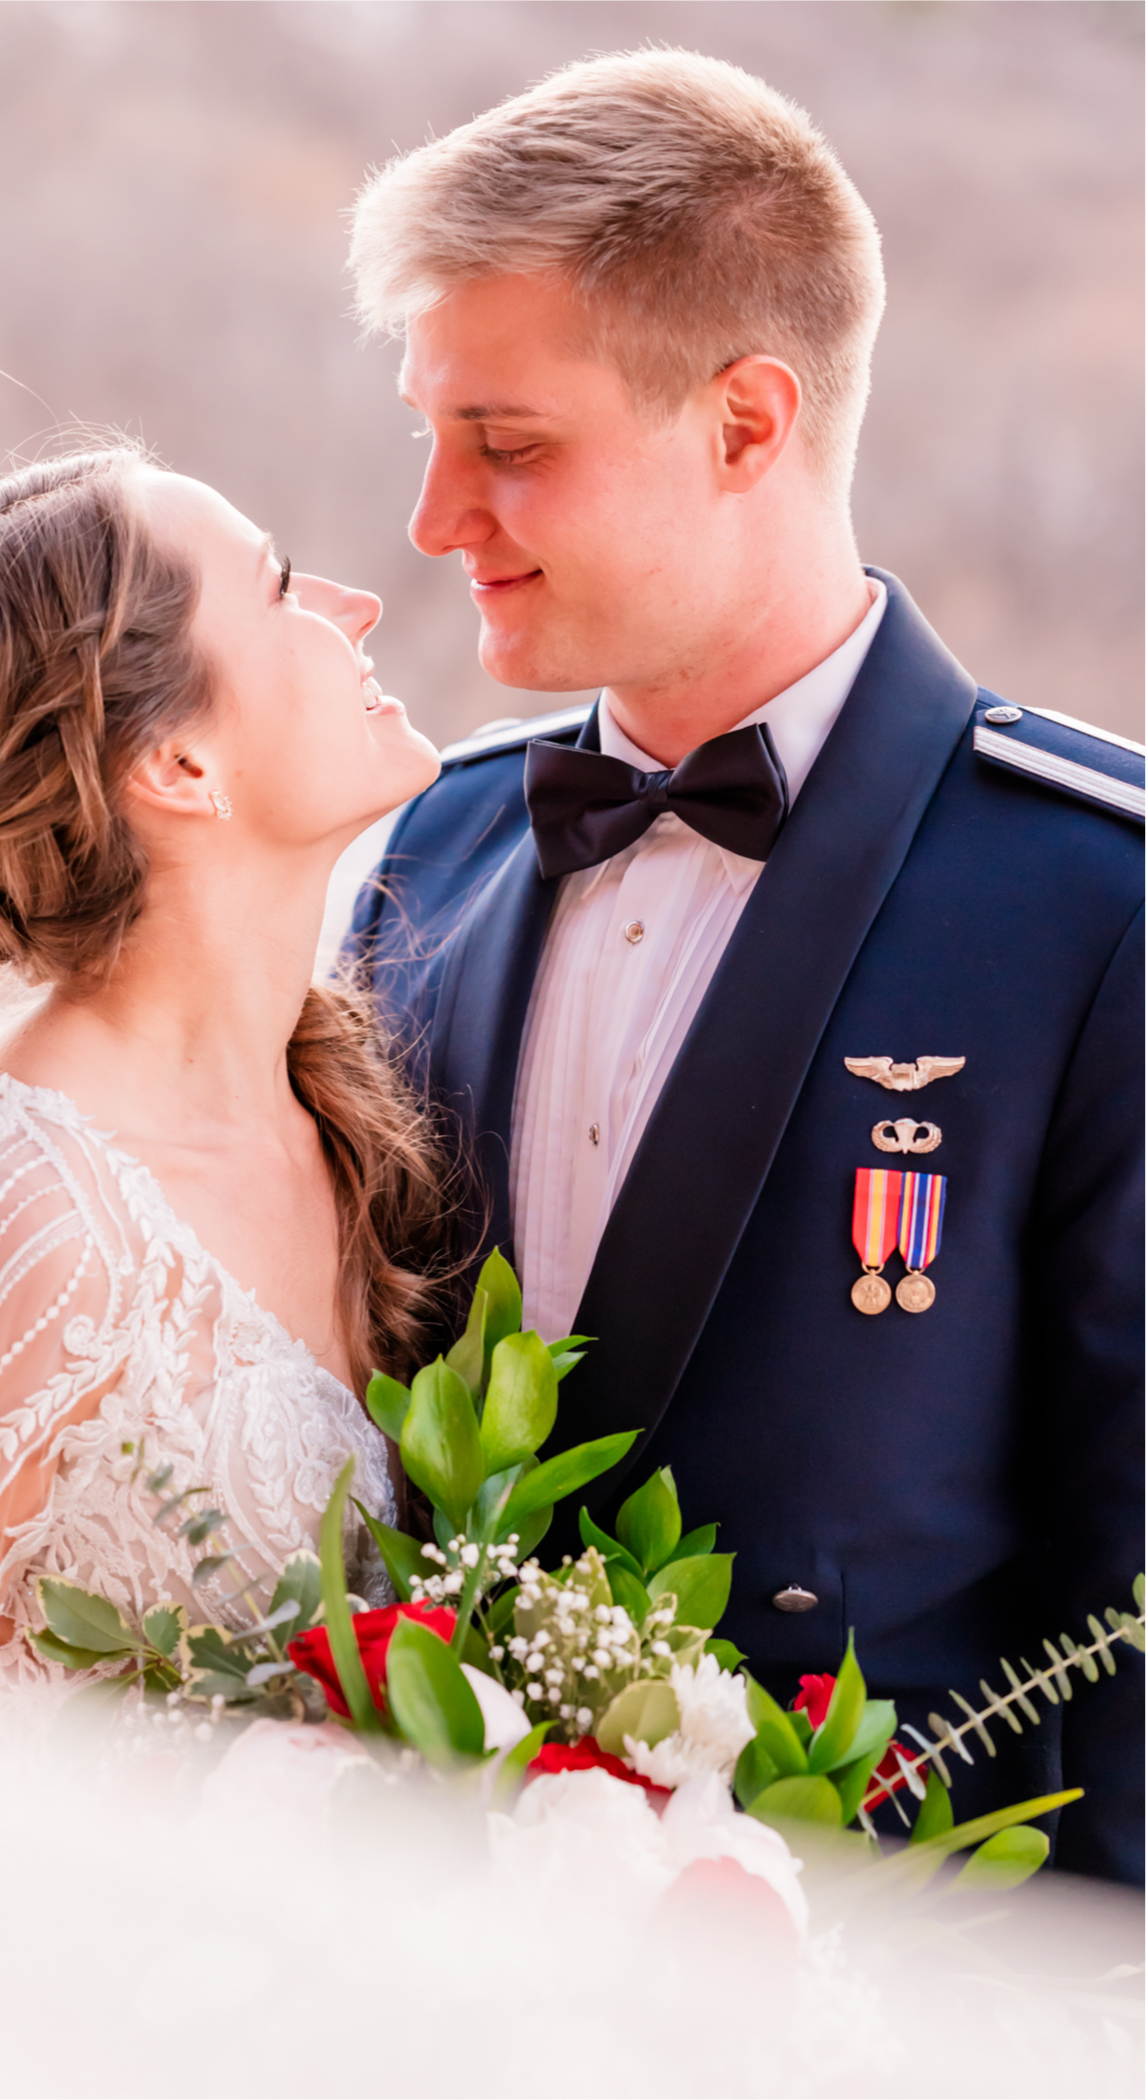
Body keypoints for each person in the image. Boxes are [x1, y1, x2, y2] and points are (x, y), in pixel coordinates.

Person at [345, 49, 1144, 1880]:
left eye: (509, 444)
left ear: (747, 424)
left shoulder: (1098, 900)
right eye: (431, 433)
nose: (436, 518)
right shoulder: (438, 842)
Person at [0, 445, 450, 1727]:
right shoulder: (16, 1222)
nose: (358, 604)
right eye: (282, 585)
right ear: (179, 767)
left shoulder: (346, 1120)